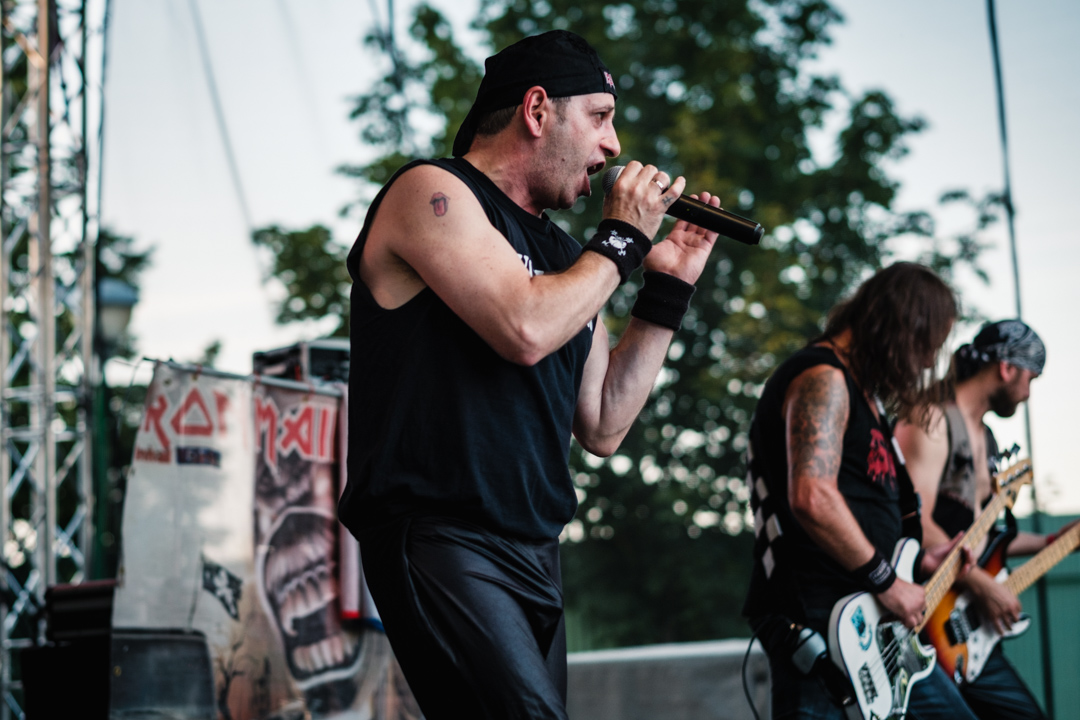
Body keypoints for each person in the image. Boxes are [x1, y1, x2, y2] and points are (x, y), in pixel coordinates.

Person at [337, 30, 722, 720]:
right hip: (443, 537)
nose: (613, 146)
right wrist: (622, 240)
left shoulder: (570, 256)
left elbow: (603, 422)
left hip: (537, 551)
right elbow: (524, 328)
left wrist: (667, 290)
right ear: (537, 109)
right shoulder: (433, 192)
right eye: (599, 117)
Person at [742, 262, 980, 719]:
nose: (927, 363)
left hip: (876, 626)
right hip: (820, 622)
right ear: (903, 327)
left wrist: (919, 560)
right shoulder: (823, 376)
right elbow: (813, 496)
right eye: (928, 346)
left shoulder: (864, 396)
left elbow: (862, 504)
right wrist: (887, 582)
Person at [895, 319, 1067, 720]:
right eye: (1030, 379)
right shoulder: (932, 420)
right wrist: (982, 583)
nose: (1028, 394)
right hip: (926, 622)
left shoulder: (986, 438)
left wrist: (1053, 541)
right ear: (1007, 368)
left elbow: (985, 537)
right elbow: (913, 522)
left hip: (967, 628)